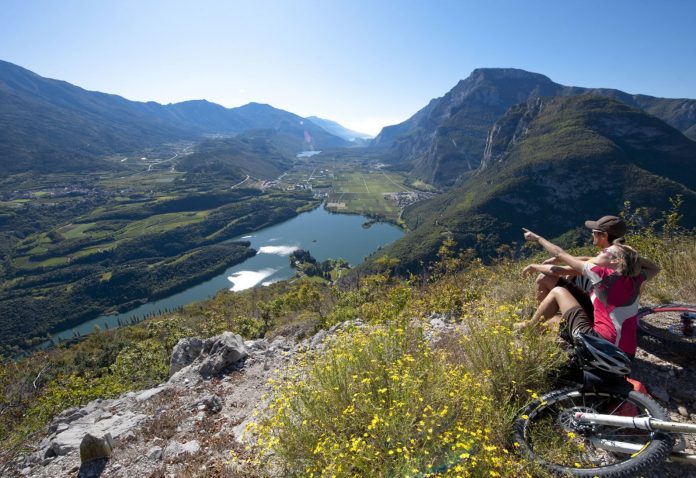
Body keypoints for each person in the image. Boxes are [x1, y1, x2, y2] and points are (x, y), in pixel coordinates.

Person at [519, 228, 660, 357]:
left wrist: (538, 238)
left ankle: (530, 329)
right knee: (554, 321)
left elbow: (559, 253)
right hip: (628, 353)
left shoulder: (601, 274)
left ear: (614, 260)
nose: (602, 255)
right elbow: (655, 268)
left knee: (557, 292)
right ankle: (538, 326)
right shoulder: (638, 278)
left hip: (601, 345)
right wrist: (629, 256)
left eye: (606, 254)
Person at [534, 216, 627, 317]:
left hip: (597, 310)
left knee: (544, 278)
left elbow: (557, 270)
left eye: (594, 231)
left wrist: (534, 266)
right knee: (572, 277)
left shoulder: (605, 259)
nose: (592, 234)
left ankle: (546, 318)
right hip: (610, 304)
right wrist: (560, 260)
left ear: (604, 236)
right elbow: (590, 259)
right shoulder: (620, 254)